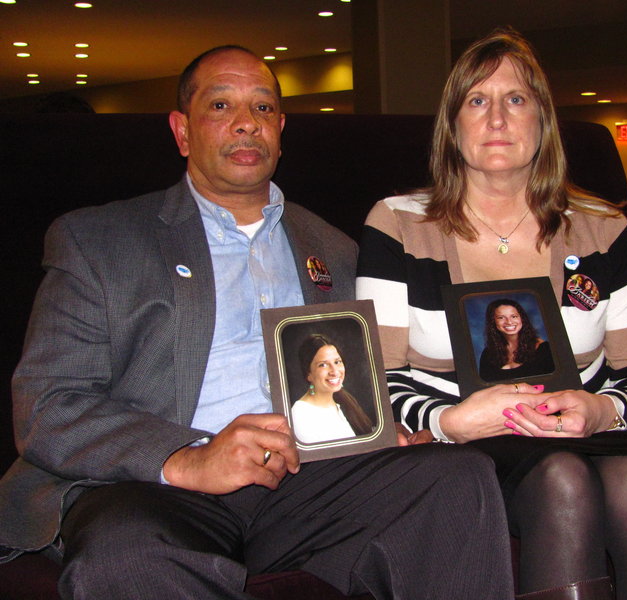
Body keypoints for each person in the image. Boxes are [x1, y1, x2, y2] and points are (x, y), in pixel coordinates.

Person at [0, 45, 516, 600]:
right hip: (151, 488)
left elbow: (370, 376)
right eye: (221, 106)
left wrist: (389, 431)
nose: (247, 123)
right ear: (182, 131)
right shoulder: (100, 240)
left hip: (305, 483)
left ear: (281, 129)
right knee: (127, 557)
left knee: (455, 478)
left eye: (264, 109)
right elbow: (48, 404)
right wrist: (188, 458)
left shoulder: (340, 252)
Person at [357, 28, 627, 600]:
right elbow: (375, 374)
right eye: (477, 100)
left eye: (516, 99)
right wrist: (451, 421)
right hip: (459, 437)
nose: (497, 118)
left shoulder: (603, 228)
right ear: (452, 126)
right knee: (561, 477)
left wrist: (602, 410)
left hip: (583, 430)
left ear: (543, 122)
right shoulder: (397, 224)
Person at [291, 334, 373, 443]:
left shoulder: (343, 403)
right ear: (308, 374)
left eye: (337, 362)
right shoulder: (301, 414)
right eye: (323, 365)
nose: (334, 371)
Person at [478, 298, 554, 381]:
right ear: (493, 322)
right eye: (501, 317)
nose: (509, 322)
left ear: (522, 319)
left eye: (514, 316)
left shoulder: (545, 349)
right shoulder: (488, 353)